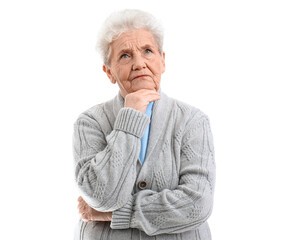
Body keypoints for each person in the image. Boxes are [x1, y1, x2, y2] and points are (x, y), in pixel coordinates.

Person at [73, 9, 216, 240]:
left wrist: (115, 214)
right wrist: (130, 116)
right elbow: (100, 196)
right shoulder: (89, 122)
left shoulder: (192, 120)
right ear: (109, 72)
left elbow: (197, 204)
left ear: (162, 60)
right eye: (125, 56)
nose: (139, 63)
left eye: (147, 51)